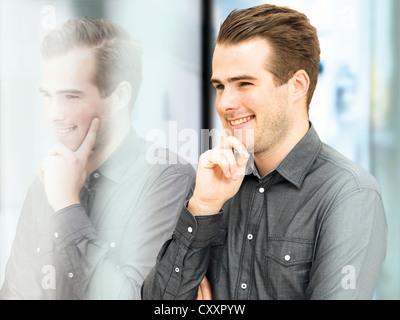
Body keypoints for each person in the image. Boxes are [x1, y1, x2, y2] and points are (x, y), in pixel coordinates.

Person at [142, 4, 388, 300]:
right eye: (220, 86)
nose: (224, 104)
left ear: (297, 85)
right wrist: (203, 206)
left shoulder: (348, 194)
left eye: (244, 83)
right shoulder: (212, 185)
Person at [0, 17, 195, 300]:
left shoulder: (167, 179)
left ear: (119, 96)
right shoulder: (46, 183)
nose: (54, 113)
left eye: (70, 96)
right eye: (48, 96)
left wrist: (67, 205)